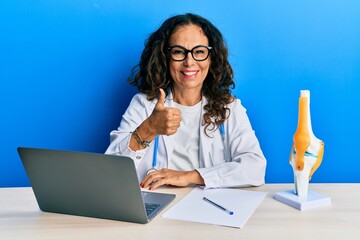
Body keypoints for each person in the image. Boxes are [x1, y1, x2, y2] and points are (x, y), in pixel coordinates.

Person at [105, 13, 266, 190]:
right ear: (165, 58)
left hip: (211, 206)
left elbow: (255, 168)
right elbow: (111, 172)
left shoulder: (229, 108)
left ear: (211, 58)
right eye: (178, 52)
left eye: (199, 52)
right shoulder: (144, 105)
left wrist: (191, 176)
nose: (189, 62)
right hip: (159, 205)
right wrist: (148, 129)